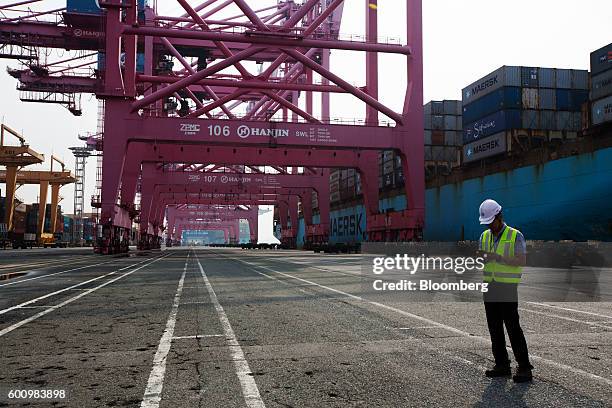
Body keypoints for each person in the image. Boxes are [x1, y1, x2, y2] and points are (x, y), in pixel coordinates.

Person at [478, 199, 533, 383]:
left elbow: (521, 261)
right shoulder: (484, 236)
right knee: (494, 328)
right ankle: (502, 365)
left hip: (507, 288)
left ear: (499, 217)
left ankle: (524, 367)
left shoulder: (515, 235)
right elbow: (484, 260)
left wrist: (498, 257)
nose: (489, 227)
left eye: (491, 222)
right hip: (489, 287)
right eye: (486, 223)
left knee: (512, 327)